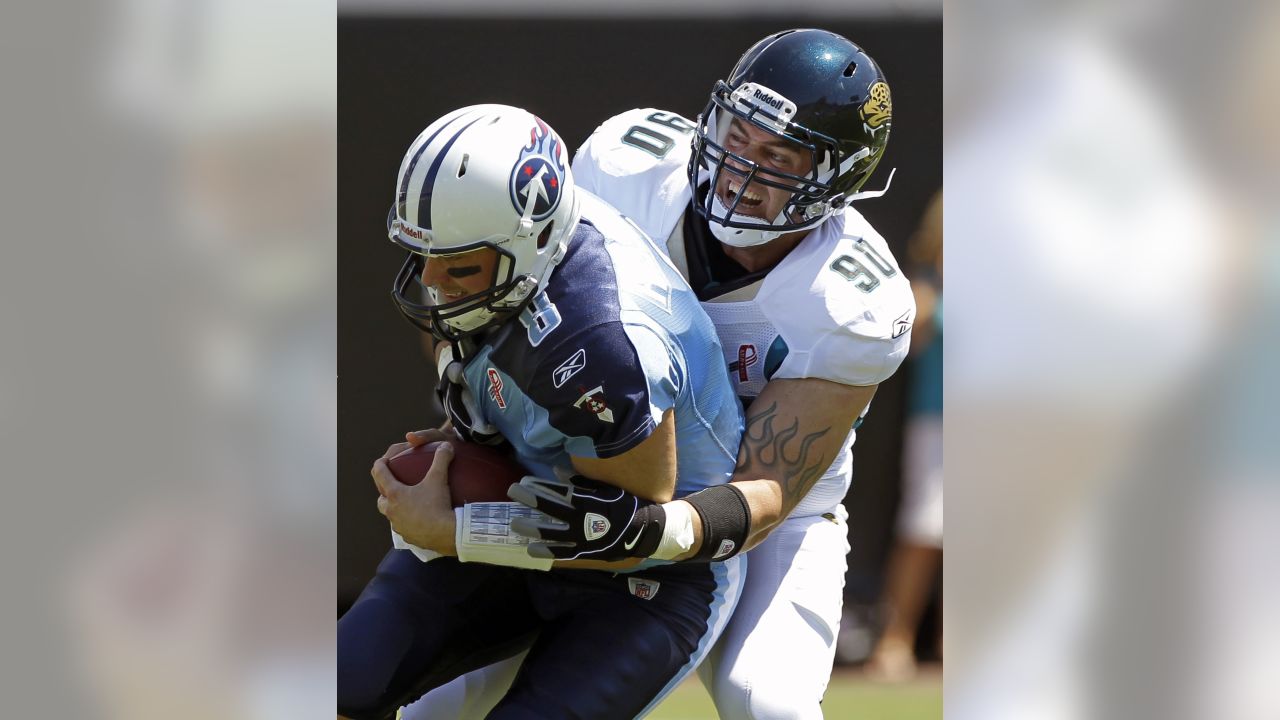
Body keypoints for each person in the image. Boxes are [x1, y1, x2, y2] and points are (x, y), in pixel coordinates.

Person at [402, 29, 915, 720]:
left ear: (839, 178)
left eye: (778, 155)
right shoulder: (627, 163)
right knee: (437, 701)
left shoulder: (849, 299)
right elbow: (510, 311)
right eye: (737, 135)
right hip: (593, 471)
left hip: (763, 515)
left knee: (768, 703)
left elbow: (765, 488)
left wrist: (655, 532)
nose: (741, 169)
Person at [336, 104, 747, 720]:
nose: (436, 281)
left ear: (533, 241)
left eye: (460, 266)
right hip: (535, 507)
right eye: (427, 257)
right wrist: (459, 443)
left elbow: (627, 530)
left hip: (647, 573)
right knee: (340, 683)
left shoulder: (601, 342)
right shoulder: (493, 258)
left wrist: (456, 530)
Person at [866, 189, 943, 681]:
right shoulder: (925, 288)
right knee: (924, 528)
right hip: (938, 424)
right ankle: (893, 642)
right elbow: (907, 343)